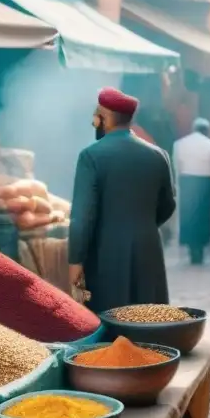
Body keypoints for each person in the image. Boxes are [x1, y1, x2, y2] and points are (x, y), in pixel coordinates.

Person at [68, 88, 176, 312]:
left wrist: (75, 260)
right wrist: (142, 223)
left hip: (106, 252)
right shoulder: (159, 155)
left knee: (111, 317)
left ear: (103, 117)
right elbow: (168, 205)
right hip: (148, 248)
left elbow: (82, 216)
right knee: (148, 316)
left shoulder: (91, 156)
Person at [172, 118, 210, 265]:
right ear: (206, 130)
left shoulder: (179, 144)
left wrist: (176, 185)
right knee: (203, 217)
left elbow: (176, 167)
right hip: (204, 184)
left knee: (188, 217)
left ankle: (191, 248)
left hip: (186, 182)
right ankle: (200, 249)